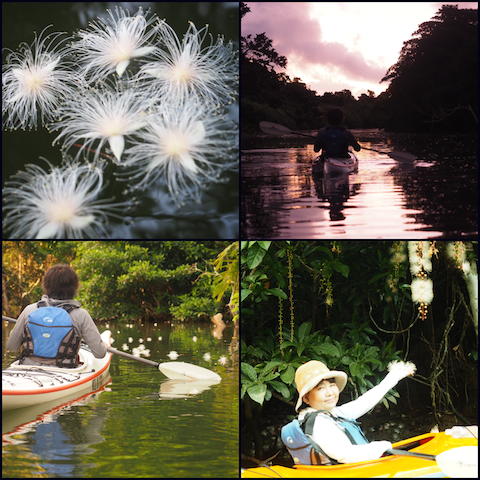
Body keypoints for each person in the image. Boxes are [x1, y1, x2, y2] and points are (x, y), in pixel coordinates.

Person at [281, 359, 416, 465]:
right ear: (306, 398)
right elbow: (347, 454)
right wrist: (384, 446)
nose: (330, 393)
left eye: (332, 385)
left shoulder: (329, 414)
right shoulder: (318, 422)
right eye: (320, 388)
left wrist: (394, 376)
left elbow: (364, 402)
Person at [6, 264, 107, 368]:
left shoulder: (29, 310)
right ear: (74, 287)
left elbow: (12, 347)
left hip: (27, 370)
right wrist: (105, 346)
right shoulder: (81, 315)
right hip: (65, 373)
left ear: (46, 285)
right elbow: (100, 353)